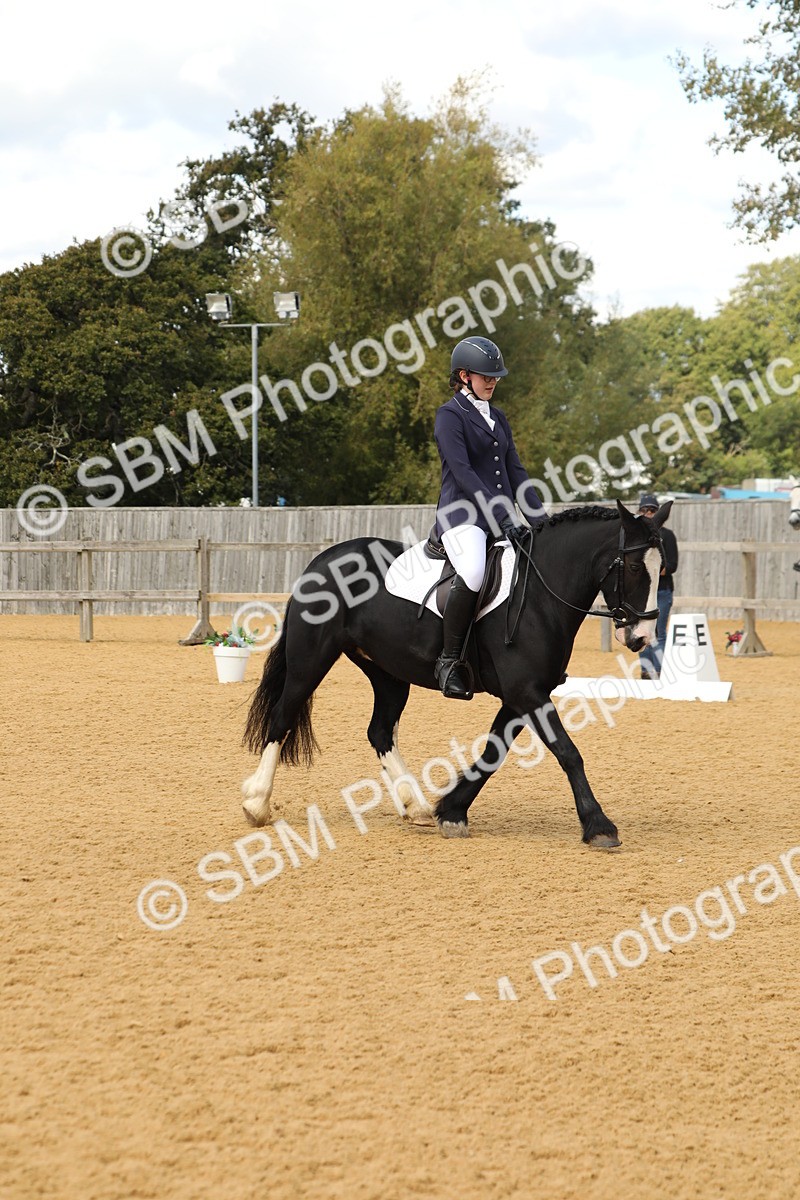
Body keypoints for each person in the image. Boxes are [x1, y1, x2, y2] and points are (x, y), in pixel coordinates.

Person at [432, 336, 545, 700]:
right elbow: (464, 473)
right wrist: (502, 515)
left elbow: (516, 471)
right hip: (462, 518)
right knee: (474, 571)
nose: (493, 381)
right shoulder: (449, 416)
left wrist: (541, 521)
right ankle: (449, 661)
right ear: (464, 376)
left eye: (496, 376)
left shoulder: (498, 417)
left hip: (499, 519)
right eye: (486, 376)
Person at [637, 492, 679, 680]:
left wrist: (651, 569)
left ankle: (660, 671)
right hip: (641, 593)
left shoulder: (667, 536)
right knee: (641, 632)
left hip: (661, 590)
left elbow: (672, 565)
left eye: (652, 510)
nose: (648, 513)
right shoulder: (636, 536)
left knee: (659, 632)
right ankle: (646, 671)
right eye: (644, 510)